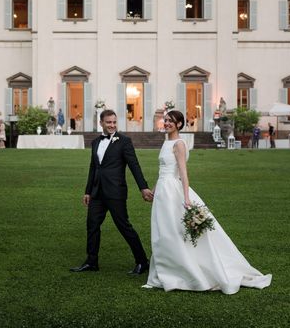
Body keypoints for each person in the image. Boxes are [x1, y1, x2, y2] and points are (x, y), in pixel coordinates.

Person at [144, 110, 272, 292]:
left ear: (179, 124)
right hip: (163, 192)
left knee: (173, 231)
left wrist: (186, 198)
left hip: (173, 193)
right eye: (165, 120)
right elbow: (163, 172)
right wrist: (154, 191)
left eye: (170, 121)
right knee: (163, 231)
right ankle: (168, 268)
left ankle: (181, 271)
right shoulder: (166, 142)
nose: (166, 123)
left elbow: (182, 173)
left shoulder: (179, 144)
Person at [70, 109, 153, 275]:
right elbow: (93, 168)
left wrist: (143, 187)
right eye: (108, 122)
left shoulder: (124, 142)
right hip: (97, 193)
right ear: (101, 123)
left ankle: (142, 262)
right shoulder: (95, 142)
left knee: (124, 226)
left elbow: (134, 165)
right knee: (92, 225)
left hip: (115, 192)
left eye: (114, 122)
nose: (112, 125)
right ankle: (92, 262)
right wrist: (88, 191)